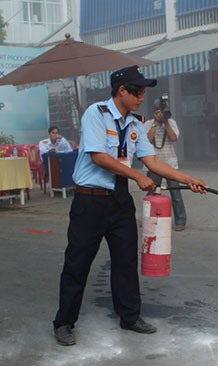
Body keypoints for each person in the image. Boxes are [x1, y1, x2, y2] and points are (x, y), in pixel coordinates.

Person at [52, 65, 207, 346]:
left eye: (143, 91)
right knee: (77, 262)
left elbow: (154, 162)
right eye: (136, 91)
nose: (141, 96)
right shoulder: (96, 114)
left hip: (119, 200)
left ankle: (129, 316)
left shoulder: (136, 124)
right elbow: (99, 156)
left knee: (125, 261)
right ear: (121, 90)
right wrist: (137, 176)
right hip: (90, 200)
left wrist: (190, 179)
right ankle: (64, 322)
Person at [145, 100, 187, 231]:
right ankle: (148, 218)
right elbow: (147, 140)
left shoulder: (172, 122)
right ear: (154, 112)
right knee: (151, 191)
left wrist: (166, 121)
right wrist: (156, 123)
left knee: (175, 193)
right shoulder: (148, 124)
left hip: (170, 163)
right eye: (160, 111)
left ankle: (180, 221)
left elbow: (174, 138)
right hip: (153, 164)